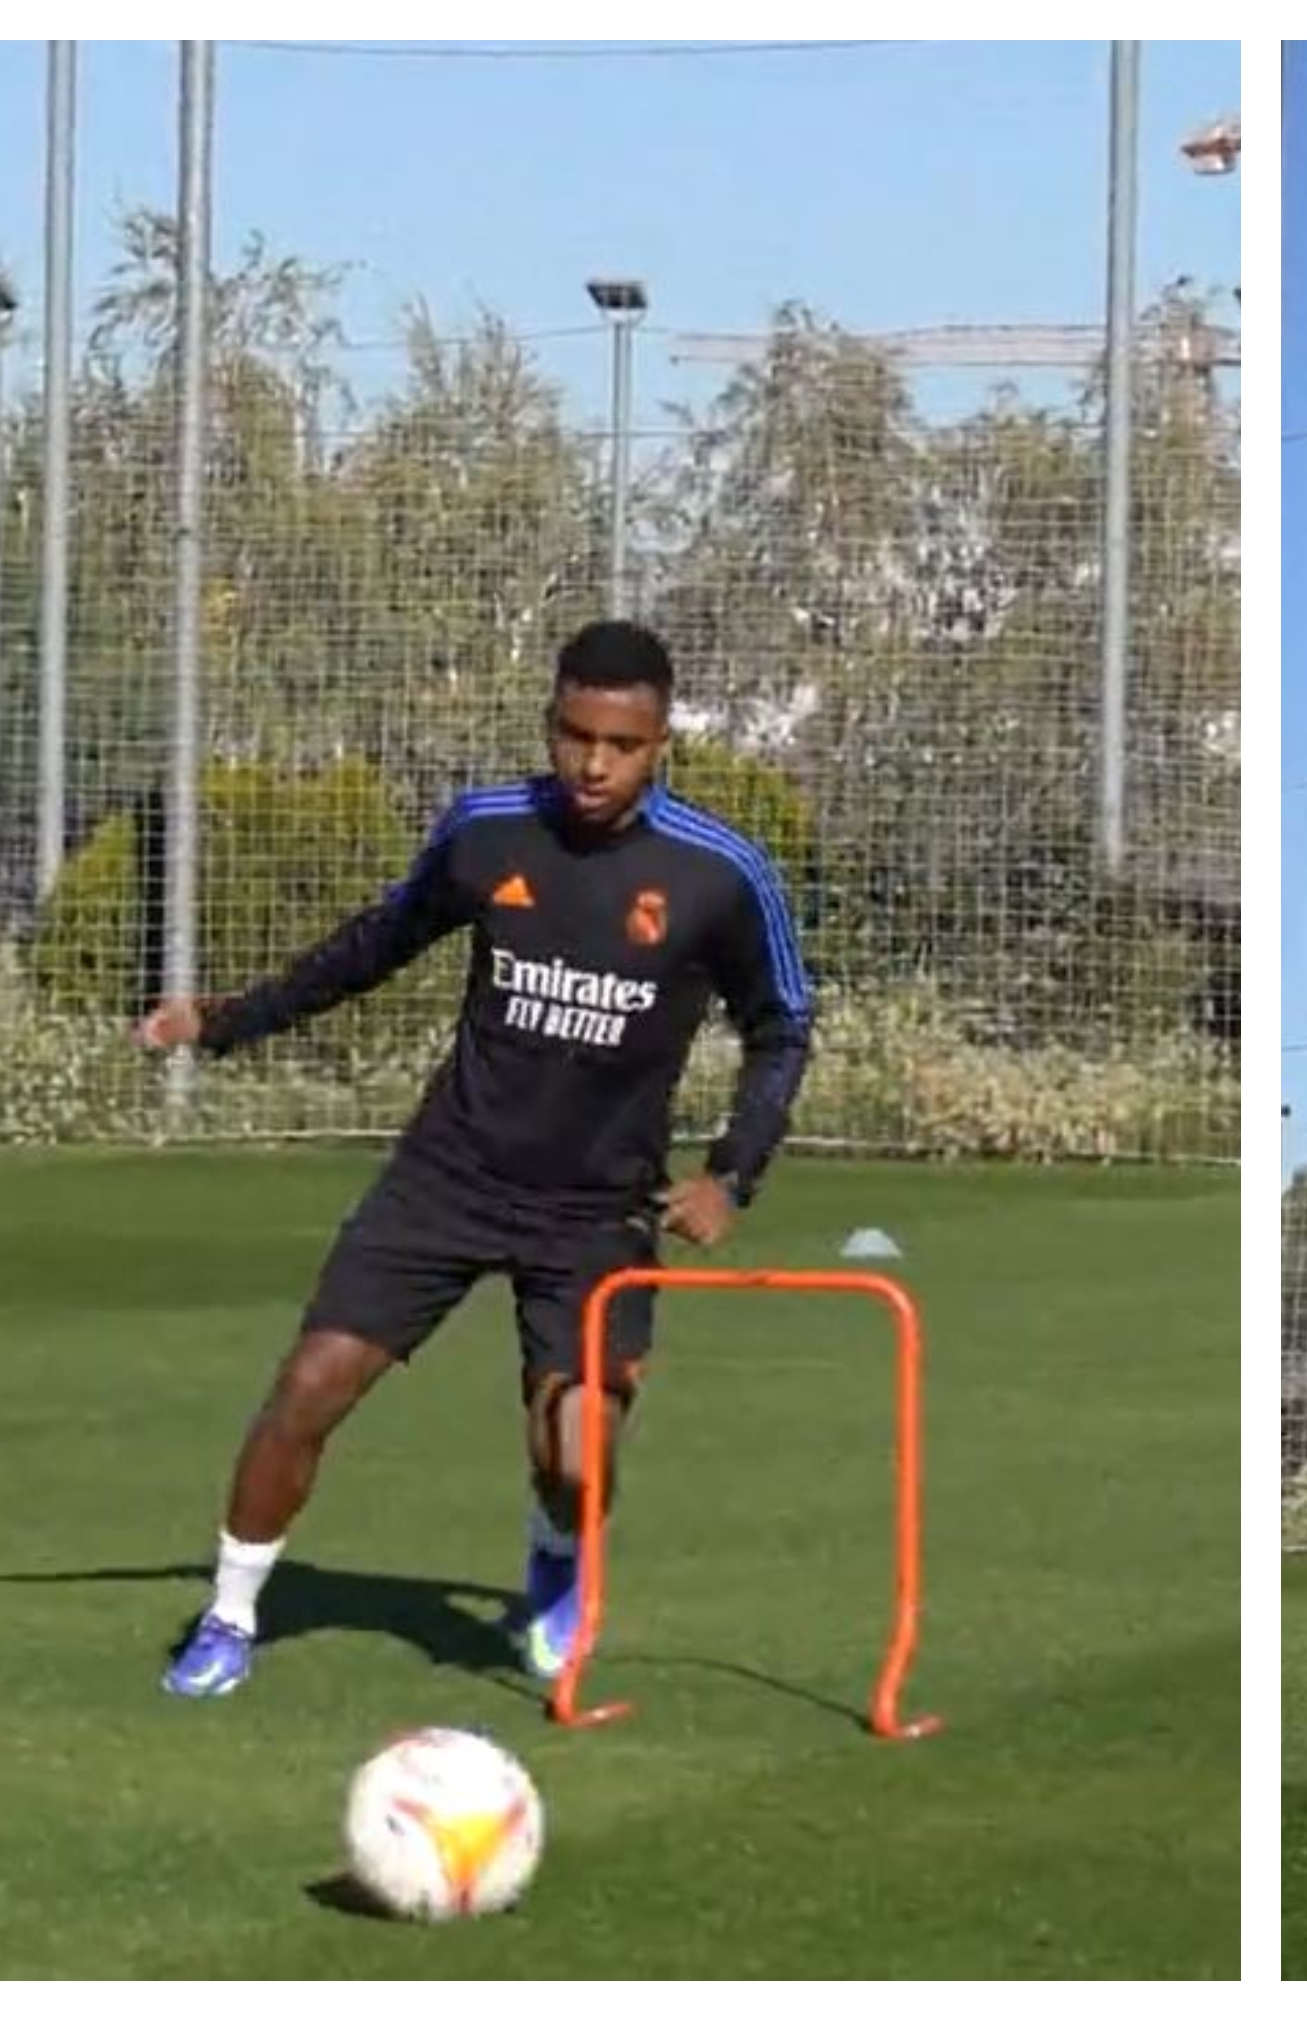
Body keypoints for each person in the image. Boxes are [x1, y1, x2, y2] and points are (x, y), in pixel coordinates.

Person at [137, 618, 814, 1699]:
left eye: (622, 743)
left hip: (597, 1208)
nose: (593, 763)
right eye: (573, 733)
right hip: (448, 1177)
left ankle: (555, 1556)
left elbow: (783, 1023)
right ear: (550, 721)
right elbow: (375, 943)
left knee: (577, 1458)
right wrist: (224, 1021)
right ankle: (227, 1615)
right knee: (308, 1386)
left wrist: (732, 1172)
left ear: (661, 742)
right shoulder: (487, 831)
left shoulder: (719, 873)